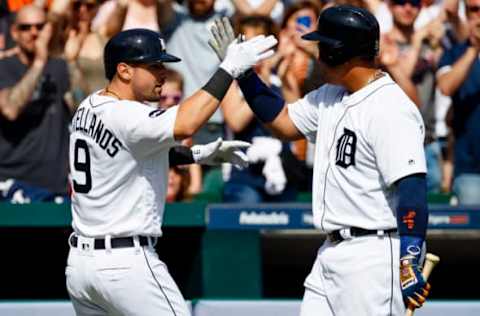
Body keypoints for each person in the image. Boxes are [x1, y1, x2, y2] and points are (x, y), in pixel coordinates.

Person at [209, 5, 431, 316]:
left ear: (341, 52)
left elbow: (412, 185)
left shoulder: (390, 107)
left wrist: (409, 257)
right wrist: (244, 74)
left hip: (374, 256)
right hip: (330, 252)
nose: (317, 53)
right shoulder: (330, 95)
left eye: (323, 45)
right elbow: (284, 123)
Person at [65, 26, 275, 315]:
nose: (162, 72)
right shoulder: (128, 113)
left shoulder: (89, 105)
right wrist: (229, 69)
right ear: (124, 70)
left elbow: (132, 153)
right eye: (153, 66)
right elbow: (186, 123)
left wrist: (197, 154)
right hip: (126, 265)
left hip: (81, 266)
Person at [0, 4, 71, 202]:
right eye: (26, 27)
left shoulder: (60, 67)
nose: (34, 33)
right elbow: (10, 109)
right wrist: (39, 62)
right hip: (11, 184)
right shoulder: (4, 67)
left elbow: (82, 106)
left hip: (56, 186)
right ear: (14, 32)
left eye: (40, 27)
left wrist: (69, 58)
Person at [436, 0, 480, 205]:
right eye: (475, 9)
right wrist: (473, 49)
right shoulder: (454, 53)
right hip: (471, 170)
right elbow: (445, 86)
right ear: (467, 13)